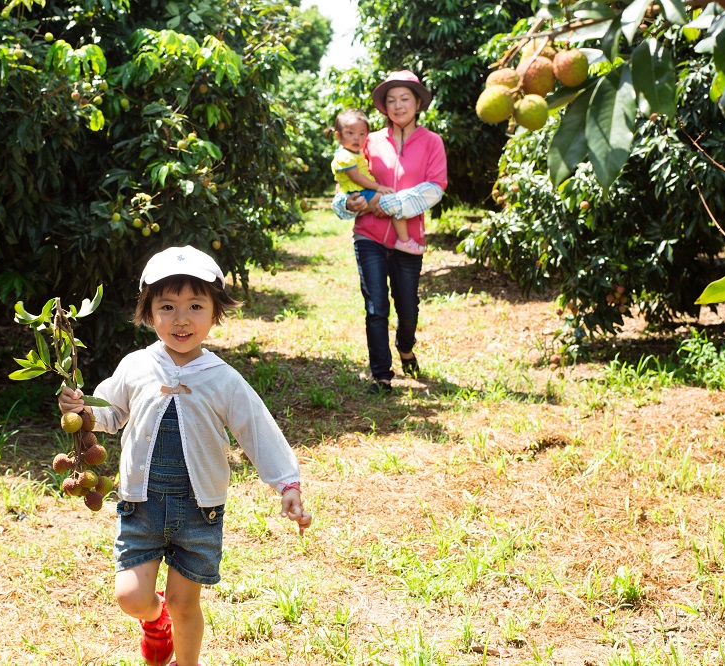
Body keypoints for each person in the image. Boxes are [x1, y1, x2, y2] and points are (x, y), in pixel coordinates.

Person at [58, 246, 312, 666]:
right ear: (148, 313)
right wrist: (82, 410)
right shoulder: (137, 365)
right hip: (140, 503)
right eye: (167, 306)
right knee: (132, 597)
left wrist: (287, 483)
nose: (181, 319)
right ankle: (155, 624)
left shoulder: (222, 378)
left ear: (215, 314)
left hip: (199, 510)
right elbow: (112, 412)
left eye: (196, 306)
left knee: (184, 603)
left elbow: (256, 428)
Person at [331, 70, 447, 395]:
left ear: (418, 102)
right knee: (376, 305)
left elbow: (435, 188)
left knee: (407, 306)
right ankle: (381, 375)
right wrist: (348, 204)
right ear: (385, 107)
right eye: (391, 100)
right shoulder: (369, 141)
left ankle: (405, 346)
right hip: (368, 235)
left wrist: (393, 204)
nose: (398, 106)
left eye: (405, 99)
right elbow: (348, 181)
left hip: (408, 240)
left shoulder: (431, 142)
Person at [330, 108, 424, 255]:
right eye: (351, 133)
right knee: (393, 202)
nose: (357, 138)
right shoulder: (345, 156)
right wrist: (379, 187)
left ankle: (401, 237)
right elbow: (357, 177)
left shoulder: (354, 152)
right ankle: (404, 240)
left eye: (362, 134)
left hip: (362, 192)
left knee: (390, 204)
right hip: (361, 192)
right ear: (338, 135)